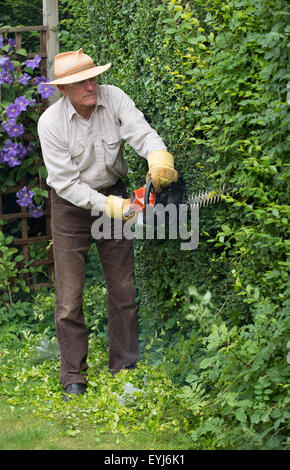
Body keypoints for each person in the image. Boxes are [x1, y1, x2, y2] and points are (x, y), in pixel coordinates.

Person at [37, 48, 178, 398]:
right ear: (63, 89)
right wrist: (116, 207)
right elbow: (67, 184)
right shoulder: (50, 124)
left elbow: (142, 133)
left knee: (124, 289)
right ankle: (73, 375)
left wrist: (158, 158)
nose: (91, 84)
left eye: (93, 76)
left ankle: (125, 366)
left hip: (114, 192)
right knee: (69, 296)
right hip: (70, 207)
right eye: (80, 81)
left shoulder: (114, 98)